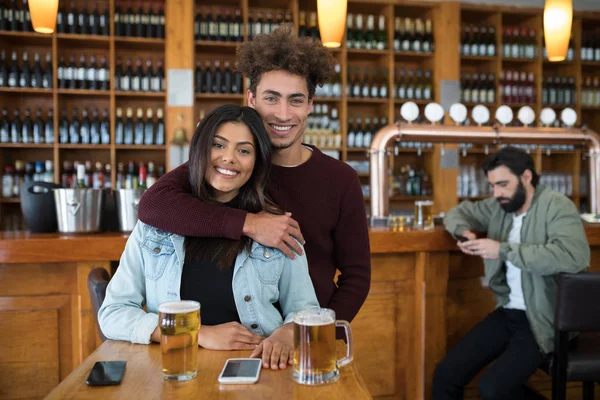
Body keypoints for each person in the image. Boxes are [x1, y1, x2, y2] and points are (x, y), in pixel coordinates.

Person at [136, 24, 371, 336]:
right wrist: (249, 223)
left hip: (306, 334)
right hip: (246, 334)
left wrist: (314, 334)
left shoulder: (340, 179)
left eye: (296, 100)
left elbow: (356, 275)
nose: (283, 114)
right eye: (271, 98)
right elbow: (154, 205)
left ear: (310, 106)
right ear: (251, 99)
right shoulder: (228, 170)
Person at [99, 105, 320, 370]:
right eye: (218, 145)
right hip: (176, 368)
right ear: (200, 151)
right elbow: (113, 314)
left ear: (257, 162)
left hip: (260, 368)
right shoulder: (156, 226)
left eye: (244, 150)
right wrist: (195, 333)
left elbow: (306, 310)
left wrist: (288, 332)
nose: (229, 158)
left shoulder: (276, 228)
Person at [433, 147, 590, 399]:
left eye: (503, 184)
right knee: (445, 375)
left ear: (526, 177)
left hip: (544, 319)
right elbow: (456, 213)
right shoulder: (501, 205)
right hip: (508, 313)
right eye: (493, 186)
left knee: (493, 388)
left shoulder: (557, 206)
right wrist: (463, 232)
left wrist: (504, 250)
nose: (496, 193)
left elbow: (572, 257)